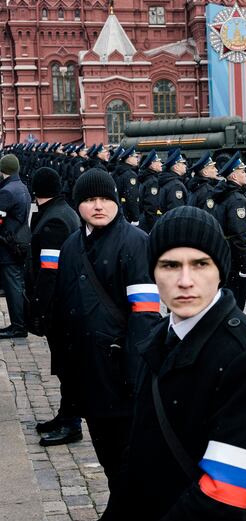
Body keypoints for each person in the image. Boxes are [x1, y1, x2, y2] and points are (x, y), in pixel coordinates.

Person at [88, 206, 246, 521]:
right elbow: (137, 459)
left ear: (220, 271)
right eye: (170, 265)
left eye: (200, 264)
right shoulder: (158, 338)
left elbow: (222, 495)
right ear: (154, 272)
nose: (185, 281)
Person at [52, 169, 161, 492]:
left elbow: (145, 314)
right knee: (108, 459)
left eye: (104, 199)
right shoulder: (72, 245)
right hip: (86, 373)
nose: (98, 206)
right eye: (89, 200)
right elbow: (62, 308)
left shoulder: (136, 243)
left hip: (120, 376)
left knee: (130, 461)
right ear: (78, 205)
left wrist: (134, 373)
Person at [26, 168, 82, 445]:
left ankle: (72, 423)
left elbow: (49, 273)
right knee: (65, 364)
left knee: (67, 365)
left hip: (60, 306)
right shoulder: (63, 211)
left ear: (36, 190)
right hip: (66, 304)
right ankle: (65, 414)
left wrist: (38, 309)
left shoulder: (54, 221)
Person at [206, 152, 246, 310]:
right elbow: (239, 235)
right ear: (233, 176)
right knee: (236, 305)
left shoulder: (223, 194)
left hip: (225, 256)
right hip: (235, 259)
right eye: (242, 171)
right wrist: (245, 265)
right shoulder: (237, 200)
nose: (245, 174)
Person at [0, 153, 32, 339]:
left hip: (8, 246)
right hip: (18, 243)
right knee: (16, 284)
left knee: (13, 287)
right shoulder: (21, 187)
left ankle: (19, 326)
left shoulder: (7, 191)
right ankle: (18, 323)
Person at [113, 147, 141, 225]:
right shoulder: (130, 174)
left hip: (120, 211)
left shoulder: (119, 171)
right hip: (128, 214)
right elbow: (132, 197)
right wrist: (135, 217)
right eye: (135, 157)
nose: (137, 159)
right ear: (129, 158)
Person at [138, 149, 162, 232]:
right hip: (148, 223)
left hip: (144, 219)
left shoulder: (148, 178)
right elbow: (151, 206)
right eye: (158, 162)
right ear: (152, 165)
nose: (161, 164)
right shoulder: (153, 182)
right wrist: (153, 227)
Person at [158, 148, 189, 214]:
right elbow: (177, 212)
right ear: (176, 167)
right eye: (182, 163)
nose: (185, 166)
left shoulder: (169, 181)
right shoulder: (175, 185)